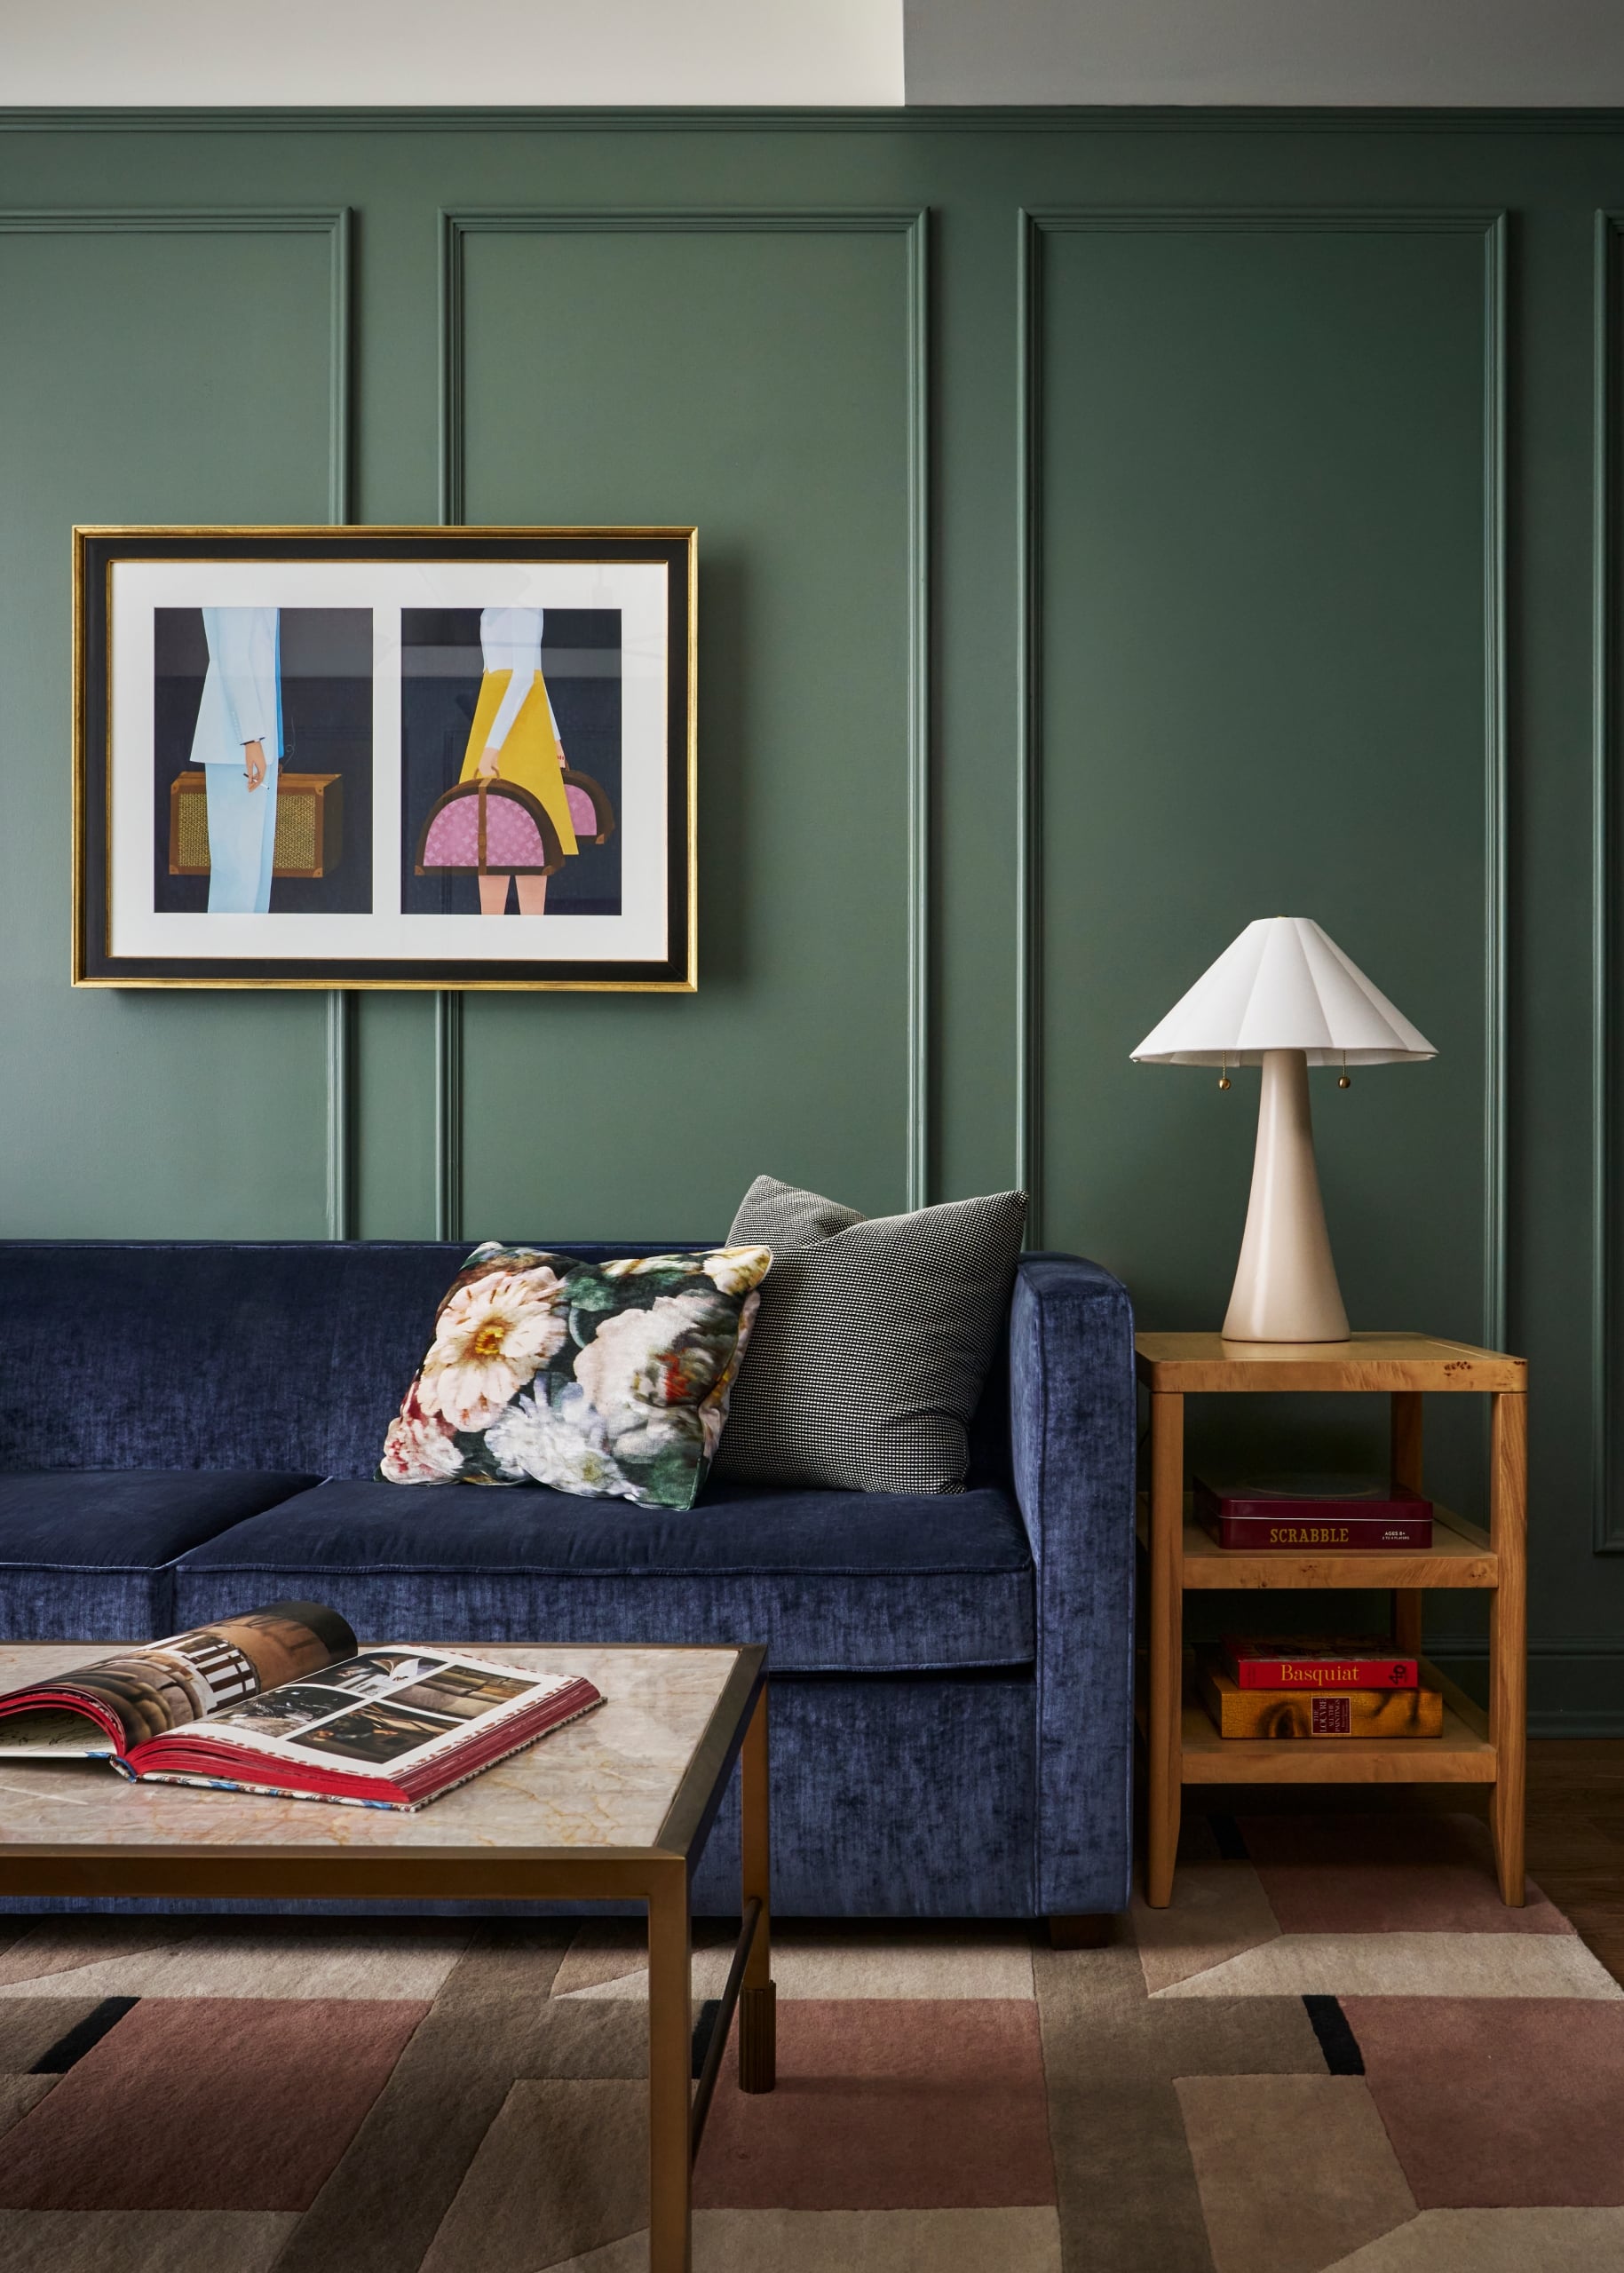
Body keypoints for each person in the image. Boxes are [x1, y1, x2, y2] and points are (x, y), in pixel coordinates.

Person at [459, 605, 576, 915]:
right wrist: (555, 737)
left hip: (520, 727)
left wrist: (493, 747)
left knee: (531, 841)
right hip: (495, 712)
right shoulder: (496, 605)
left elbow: (528, 677)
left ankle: (530, 943)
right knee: (491, 840)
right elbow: (533, 678)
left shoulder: (524, 607)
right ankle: (491, 942)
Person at [188, 606, 281, 915]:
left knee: (254, 873)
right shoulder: (235, 576)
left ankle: (248, 956)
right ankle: (227, 956)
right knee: (238, 876)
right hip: (238, 744)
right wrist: (251, 736)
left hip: (254, 743)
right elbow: (233, 654)